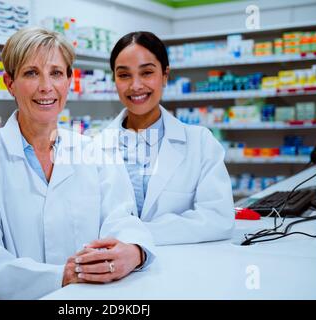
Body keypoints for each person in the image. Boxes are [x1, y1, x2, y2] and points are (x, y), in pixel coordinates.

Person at [0, 27, 155, 300]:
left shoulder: (92, 151)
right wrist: (61, 276)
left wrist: (134, 251)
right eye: (31, 73)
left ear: (69, 80)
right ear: (9, 82)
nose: (46, 87)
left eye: (56, 73)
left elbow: (121, 218)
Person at [97, 31, 234, 246]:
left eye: (147, 73)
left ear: (165, 75)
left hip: (181, 270)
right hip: (115, 274)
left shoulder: (201, 143)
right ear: (114, 79)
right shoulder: (94, 146)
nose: (136, 85)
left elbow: (218, 219)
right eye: (124, 75)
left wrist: (136, 238)